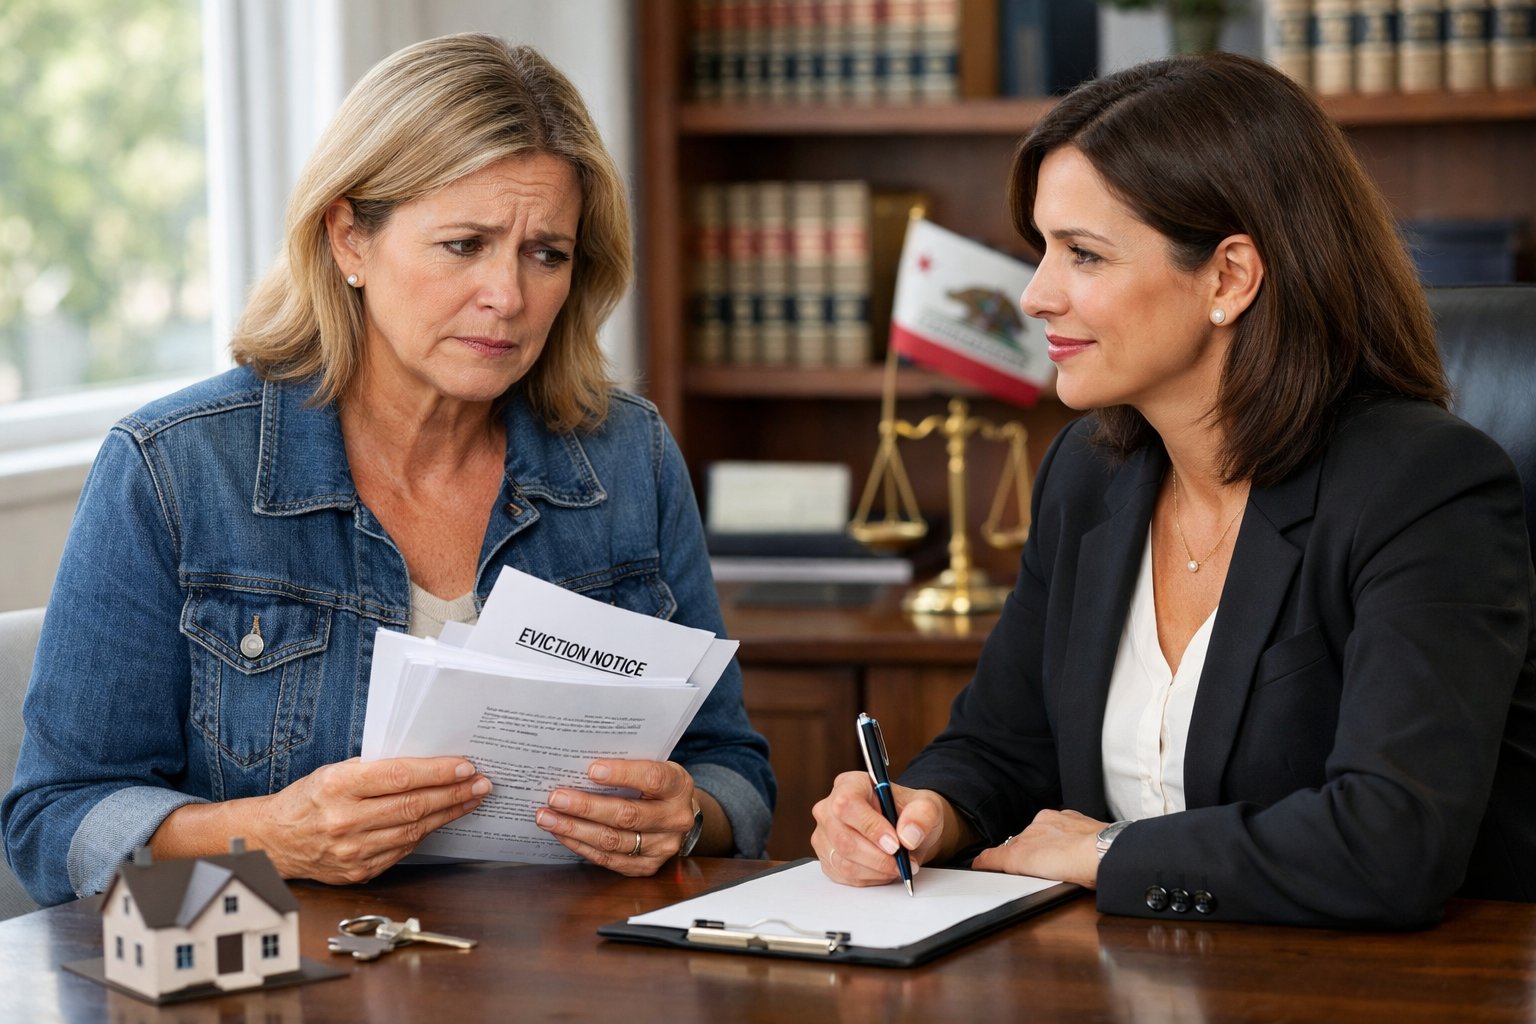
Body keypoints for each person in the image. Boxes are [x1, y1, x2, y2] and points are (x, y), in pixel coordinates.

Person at [3, 34, 774, 908]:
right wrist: (276, 835)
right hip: (287, 981)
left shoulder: (626, 455)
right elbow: (54, 821)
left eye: (546, 253)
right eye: (464, 244)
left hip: (572, 976)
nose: (508, 296)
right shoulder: (175, 469)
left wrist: (683, 814)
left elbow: (732, 772)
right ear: (349, 240)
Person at [811, 52, 1536, 928]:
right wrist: (925, 813)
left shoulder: (1422, 488)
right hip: (1121, 979)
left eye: (1082, 254)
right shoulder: (1090, 472)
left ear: (1229, 277)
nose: (1036, 294)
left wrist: (1107, 851)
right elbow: (1003, 745)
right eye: (1041, 249)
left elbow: (1392, 840)